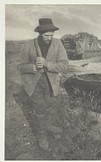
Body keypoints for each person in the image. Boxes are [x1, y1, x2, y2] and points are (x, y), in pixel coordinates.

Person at [17, 18, 69, 151]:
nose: (50, 38)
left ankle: (47, 125)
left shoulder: (58, 44)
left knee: (49, 106)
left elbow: (64, 65)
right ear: (40, 33)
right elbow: (19, 66)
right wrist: (33, 67)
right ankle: (42, 136)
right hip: (35, 84)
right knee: (39, 109)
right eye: (47, 35)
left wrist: (48, 64)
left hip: (52, 83)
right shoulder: (28, 45)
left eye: (52, 35)